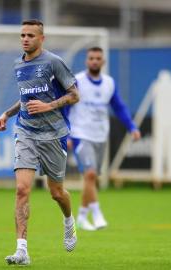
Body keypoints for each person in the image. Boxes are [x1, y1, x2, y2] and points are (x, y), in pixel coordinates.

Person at [0, 19, 79, 266]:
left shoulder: (53, 62)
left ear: (42, 38)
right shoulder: (18, 64)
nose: (25, 39)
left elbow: (75, 95)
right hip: (26, 132)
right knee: (22, 189)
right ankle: (22, 250)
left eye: (30, 35)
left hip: (54, 135)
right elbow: (25, 99)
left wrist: (48, 106)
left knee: (56, 193)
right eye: (22, 35)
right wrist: (6, 115)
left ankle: (68, 221)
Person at [68, 47, 141, 231]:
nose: (94, 61)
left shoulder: (109, 83)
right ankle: (97, 213)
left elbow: (119, 107)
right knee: (90, 174)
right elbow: (66, 108)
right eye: (91, 58)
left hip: (100, 136)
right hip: (80, 134)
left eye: (98, 58)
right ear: (86, 61)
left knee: (90, 179)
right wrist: (66, 133)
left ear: (103, 61)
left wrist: (132, 127)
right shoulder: (77, 81)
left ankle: (83, 217)